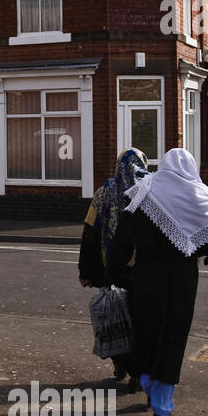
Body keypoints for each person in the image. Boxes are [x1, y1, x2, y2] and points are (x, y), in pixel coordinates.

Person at [108, 148, 208, 416]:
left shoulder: (144, 190)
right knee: (174, 333)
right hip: (182, 276)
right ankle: (162, 405)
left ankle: (146, 378)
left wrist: (115, 274)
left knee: (146, 328)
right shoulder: (198, 195)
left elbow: (122, 240)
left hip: (146, 274)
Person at [78, 148, 148, 385]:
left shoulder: (103, 193)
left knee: (115, 316)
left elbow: (90, 232)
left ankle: (120, 365)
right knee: (139, 320)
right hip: (141, 269)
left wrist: (86, 271)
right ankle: (138, 372)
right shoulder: (148, 191)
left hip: (112, 267)